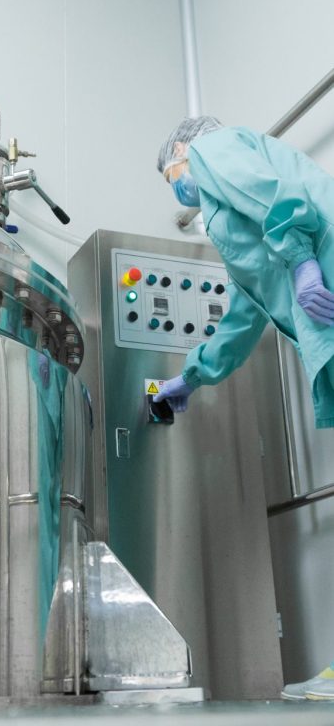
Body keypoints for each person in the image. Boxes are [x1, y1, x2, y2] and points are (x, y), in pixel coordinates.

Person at [155, 116, 334, 701]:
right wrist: (189, 377)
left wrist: (304, 259)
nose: (177, 188)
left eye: (170, 176)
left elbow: (278, 199)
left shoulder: (212, 148)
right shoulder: (232, 231)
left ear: (182, 150)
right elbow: (241, 319)